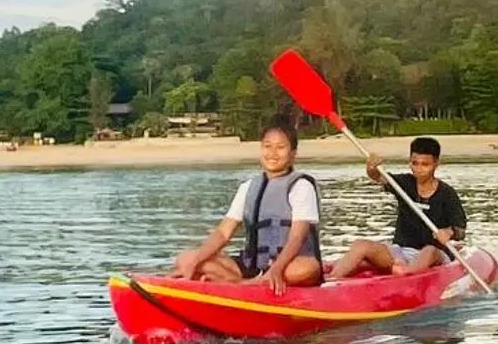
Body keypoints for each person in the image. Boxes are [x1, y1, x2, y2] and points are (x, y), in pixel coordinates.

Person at [172, 119, 323, 295]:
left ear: (293, 154)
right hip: (251, 265)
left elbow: (297, 236)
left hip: (290, 264)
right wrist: (196, 260)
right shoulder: (249, 187)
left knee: (308, 267)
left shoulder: (301, 186)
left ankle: (239, 284)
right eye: (267, 146)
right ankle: (243, 282)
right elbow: (223, 233)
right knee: (186, 257)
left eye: (280, 147)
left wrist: (277, 269)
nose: (273, 153)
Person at [328, 136, 467, 280]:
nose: (419, 169)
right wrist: (372, 168)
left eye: (425, 164)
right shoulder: (404, 183)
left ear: (436, 164)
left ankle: (405, 273)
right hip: (400, 252)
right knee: (360, 245)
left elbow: (461, 230)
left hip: (433, 254)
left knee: (429, 250)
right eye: (415, 163)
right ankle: (331, 279)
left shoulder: (447, 193)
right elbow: (378, 177)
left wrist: (448, 232)